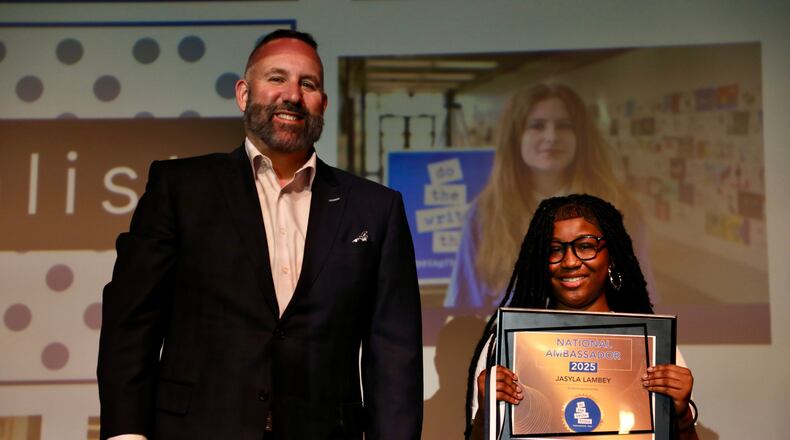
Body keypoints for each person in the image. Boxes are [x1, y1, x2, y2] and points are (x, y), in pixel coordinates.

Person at [97, 29, 423, 440]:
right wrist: (126, 435)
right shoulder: (180, 188)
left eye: (308, 84)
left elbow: (394, 355)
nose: (292, 95)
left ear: (323, 103)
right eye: (276, 78)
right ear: (243, 94)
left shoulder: (375, 208)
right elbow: (131, 324)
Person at [465, 194, 697, 440]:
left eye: (585, 246)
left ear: (612, 256)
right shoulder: (502, 347)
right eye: (554, 250)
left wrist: (682, 417)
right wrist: (485, 415)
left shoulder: (654, 348)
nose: (570, 261)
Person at [444, 84, 655, 310]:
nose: (551, 137)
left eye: (564, 126)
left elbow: (642, 302)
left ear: (581, 137)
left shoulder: (618, 209)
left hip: (598, 333)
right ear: (515, 138)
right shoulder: (485, 214)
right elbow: (463, 309)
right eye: (537, 126)